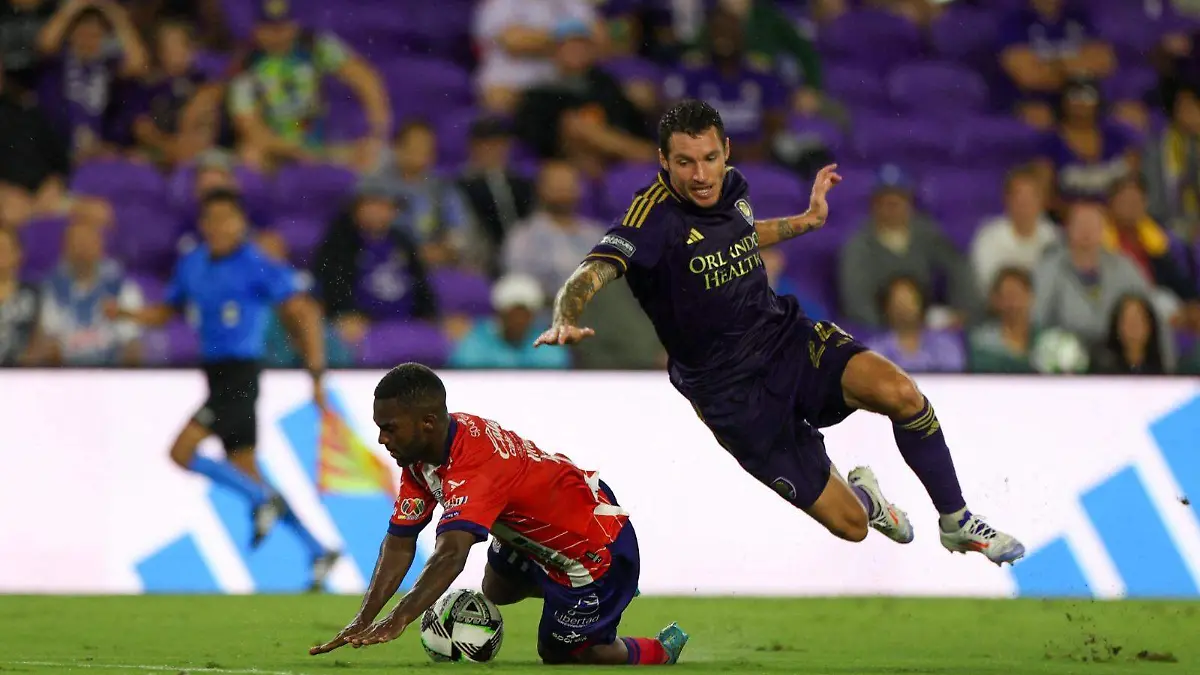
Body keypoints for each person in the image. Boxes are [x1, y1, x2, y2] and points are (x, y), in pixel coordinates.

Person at [535, 99, 1025, 565]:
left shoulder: (731, 187)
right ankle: (866, 500)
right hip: (731, 395)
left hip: (784, 339)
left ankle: (956, 519)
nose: (701, 174)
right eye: (685, 163)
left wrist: (805, 222)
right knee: (851, 526)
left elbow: (741, 234)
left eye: (709, 158)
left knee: (900, 393)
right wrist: (565, 312)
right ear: (664, 160)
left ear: (725, 148)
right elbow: (592, 270)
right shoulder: (650, 217)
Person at [309, 363, 688, 666]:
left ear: (426, 421)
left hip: (595, 549)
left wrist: (398, 619)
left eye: (389, 429)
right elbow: (399, 544)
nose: (381, 439)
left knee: (567, 655)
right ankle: (605, 597)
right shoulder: (426, 452)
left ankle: (654, 644)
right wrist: (364, 617)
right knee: (496, 590)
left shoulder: (475, 467)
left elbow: (451, 555)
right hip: (551, 521)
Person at [106, 188, 339, 590]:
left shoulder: (256, 264)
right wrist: (129, 313)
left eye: (227, 219)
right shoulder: (193, 264)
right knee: (247, 470)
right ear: (203, 224)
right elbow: (168, 309)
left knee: (182, 451)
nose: (219, 227)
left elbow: (304, 311)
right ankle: (317, 549)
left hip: (240, 375)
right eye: (211, 219)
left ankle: (261, 502)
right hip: (214, 375)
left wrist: (316, 374)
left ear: (240, 223)